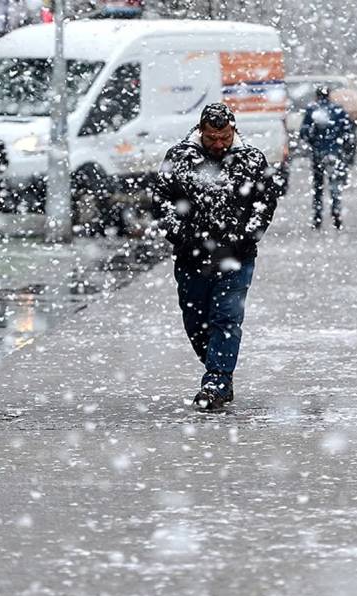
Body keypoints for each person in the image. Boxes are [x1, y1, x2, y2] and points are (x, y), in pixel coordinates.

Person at [153, 103, 279, 411]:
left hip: (236, 257)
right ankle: (216, 364)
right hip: (191, 257)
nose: (219, 144)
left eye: (224, 137)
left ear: (233, 130)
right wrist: (179, 234)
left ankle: (217, 381)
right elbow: (161, 200)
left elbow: (265, 203)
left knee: (226, 317)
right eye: (212, 138)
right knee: (196, 321)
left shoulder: (251, 160)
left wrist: (245, 237)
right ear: (201, 132)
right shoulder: (180, 158)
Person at [300, 86, 356, 230]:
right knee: (335, 185)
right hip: (335, 153)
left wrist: (313, 142)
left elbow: (305, 132)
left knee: (318, 186)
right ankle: (336, 214)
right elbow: (348, 132)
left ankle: (317, 217)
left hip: (318, 153)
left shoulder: (313, 110)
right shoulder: (338, 110)